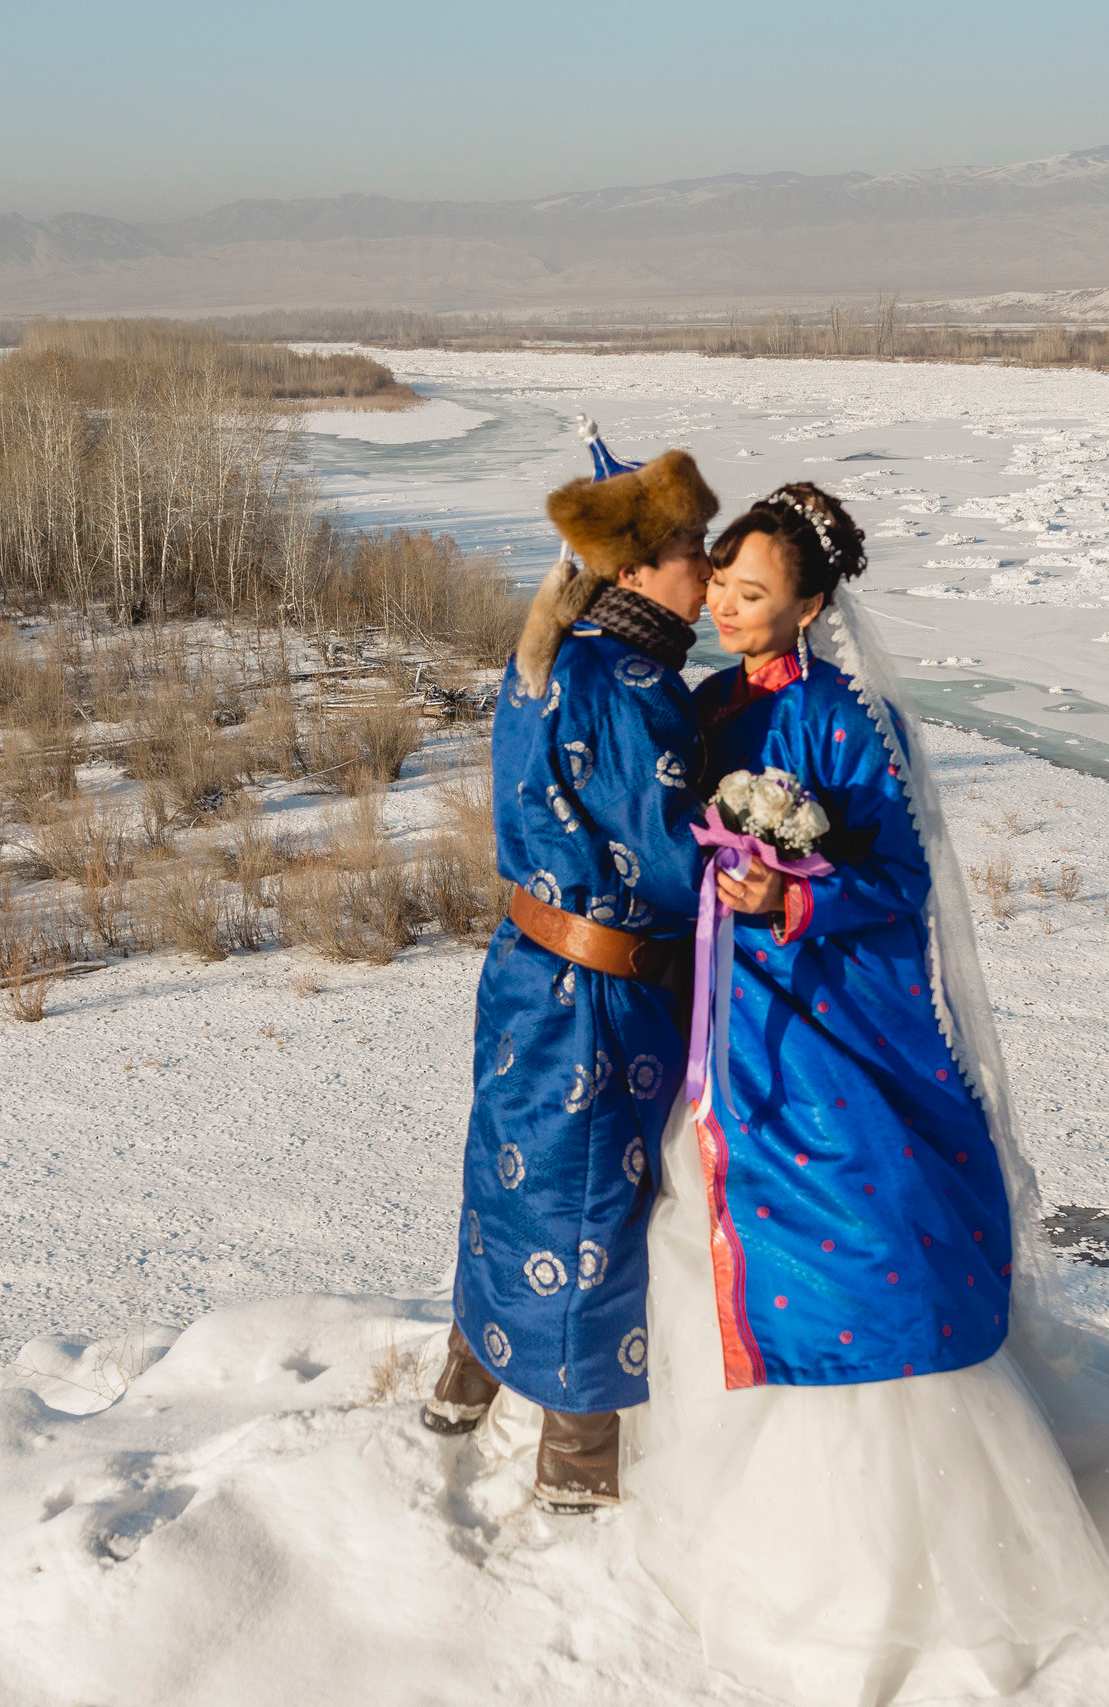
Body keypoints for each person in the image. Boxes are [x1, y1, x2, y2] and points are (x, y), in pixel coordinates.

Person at [624, 484, 1109, 1705]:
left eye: (755, 595)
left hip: (833, 1031)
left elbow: (897, 878)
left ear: (810, 604)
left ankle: (915, 1560)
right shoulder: (710, 705)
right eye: (725, 587)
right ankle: (777, 1521)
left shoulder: (850, 723)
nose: (730, 610)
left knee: (869, 1255)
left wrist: (793, 896)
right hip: (734, 1031)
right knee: (728, 1241)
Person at [424, 448, 720, 1514]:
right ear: (637, 568)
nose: (710, 567)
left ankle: (467, 1370)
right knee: (595, 1196)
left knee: (511, 1175)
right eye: (693, 549)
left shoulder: (558, 654)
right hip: (602, 994)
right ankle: (578, 1443)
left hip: (524, 970)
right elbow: (680, 861)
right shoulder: (633, 688)